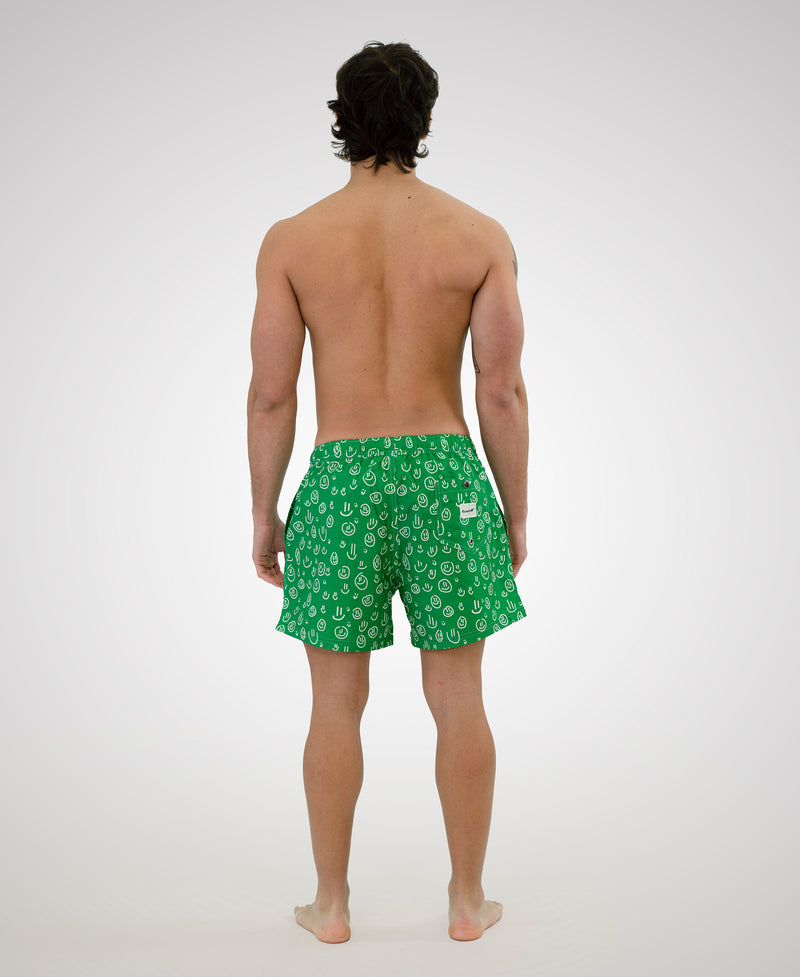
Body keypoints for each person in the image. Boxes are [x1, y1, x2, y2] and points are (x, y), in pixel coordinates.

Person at [247, 40, 528, 943]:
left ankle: (330, 905)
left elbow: (272, 394)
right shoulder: (477, 236)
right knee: (460, 694)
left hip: (339, 482)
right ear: (426, 118)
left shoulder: (293, 241)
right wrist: (515, 510)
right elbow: (500, 391)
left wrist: (265, 509)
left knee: (334, 703)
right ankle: (468, 902)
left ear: (342, 118)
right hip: (445, 477)